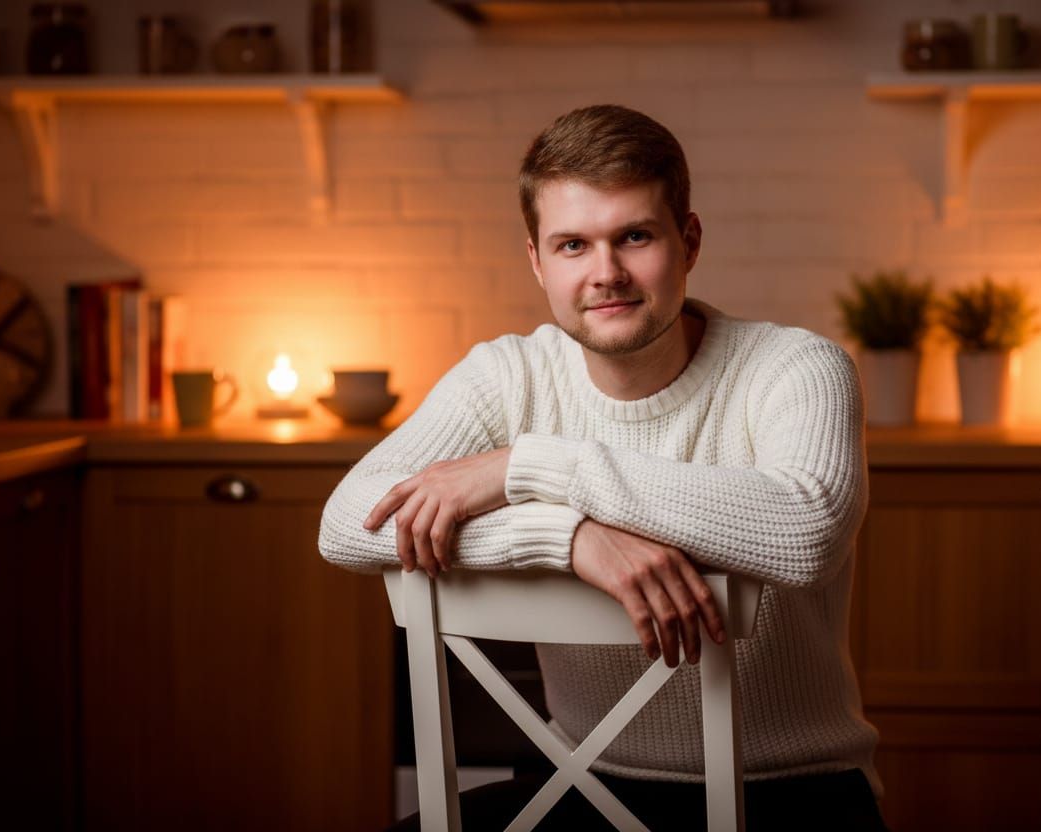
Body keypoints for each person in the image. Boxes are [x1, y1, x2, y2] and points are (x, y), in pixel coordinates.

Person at [318, 104, 887, 831]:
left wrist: (531, 467)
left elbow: (805, 531)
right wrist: (570, 538)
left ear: (689, 239)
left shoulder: (796, 368)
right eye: (573, 246)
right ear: (536, 260)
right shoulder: (509, 376)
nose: (606, 274)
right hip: (580, 783)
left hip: (791, 790)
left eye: (635, 237)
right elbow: (346, 523)